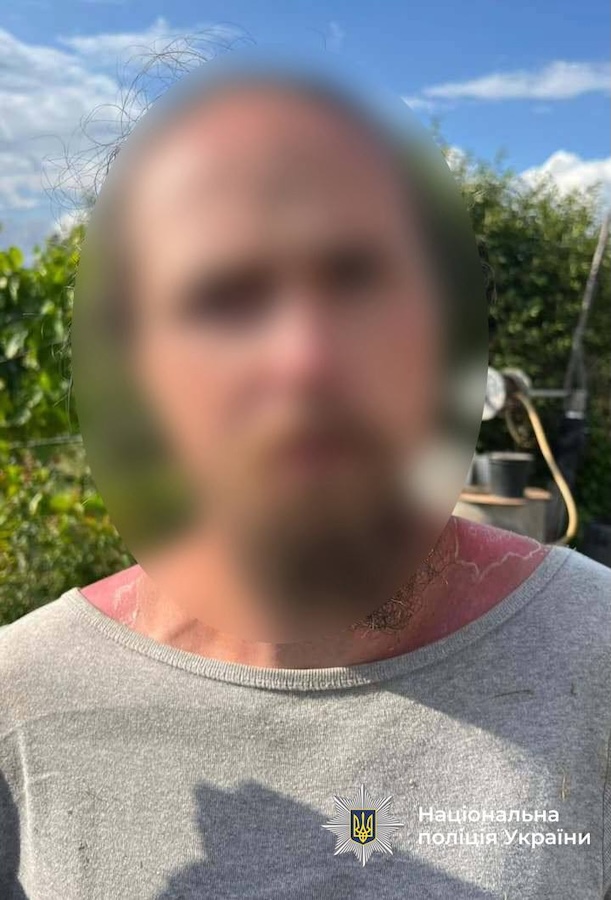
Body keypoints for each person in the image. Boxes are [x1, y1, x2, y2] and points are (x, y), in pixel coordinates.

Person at [1, 59, 610, 900]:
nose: (306, 362)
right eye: (223, 298)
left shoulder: (595, 662)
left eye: (361, 280)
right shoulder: (23, 706)